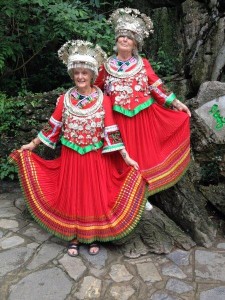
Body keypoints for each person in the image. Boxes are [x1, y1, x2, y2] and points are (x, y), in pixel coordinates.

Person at [9, 40, 146, 257]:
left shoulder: (104, 100)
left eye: (85, 73)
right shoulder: (65, 99)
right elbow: (52, 126)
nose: (81, 77)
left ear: (92, 75)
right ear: (73, 75)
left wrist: (126, 156)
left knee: (93, 197)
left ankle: (92, 236)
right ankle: (73, 237)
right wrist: (32, 145)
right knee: (73, 196)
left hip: (95, 158)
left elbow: (111, 130)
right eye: (77, 74)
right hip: (71, 158)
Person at [95, 8, 191, 208]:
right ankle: (126, 194)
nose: (124, 40)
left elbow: (156, 86)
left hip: (142, 117)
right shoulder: (106, 66)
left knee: (141, 156)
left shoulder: (143, 64)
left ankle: (143, 193)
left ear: (135, 43)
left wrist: (176, 103)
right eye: (121, 36)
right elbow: (95, 89)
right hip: (117, 118)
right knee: (120, 157)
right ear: (116, 40)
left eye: (129, 38)